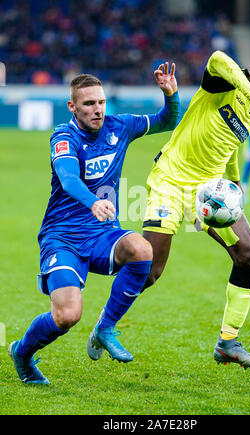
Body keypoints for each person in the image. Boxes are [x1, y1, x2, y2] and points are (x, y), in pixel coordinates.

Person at [8, 63, 180, 385]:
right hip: (63, 237)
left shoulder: (120, 126)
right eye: (89, 104)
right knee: (67, 316)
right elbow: (68, 177)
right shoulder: (64, 136)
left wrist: (170, 95)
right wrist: (93, 201)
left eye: (100, 102)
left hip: (102, 233)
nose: (97, 109)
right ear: (72, 106)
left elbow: (168, 120)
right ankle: (22, 352)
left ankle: (105, 328)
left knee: (142, 250)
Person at [142, 50, 250, 369]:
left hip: (208, 192)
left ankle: (227, 342)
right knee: (150, 272)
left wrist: (235, 183)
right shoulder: (223, 84)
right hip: (172, 179)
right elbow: (218, 58)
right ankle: (104, 321)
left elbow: (231, 146)